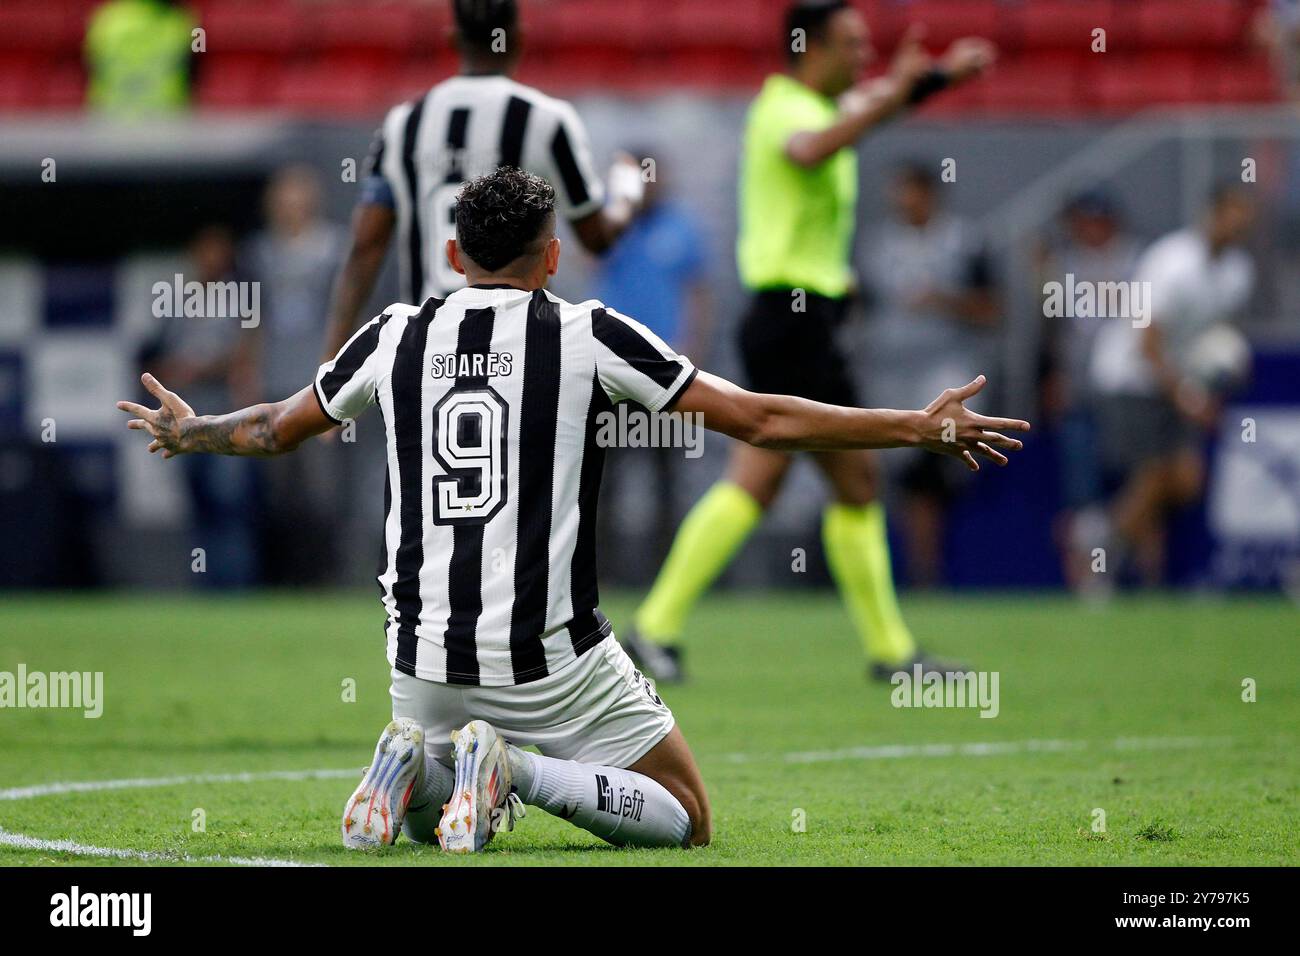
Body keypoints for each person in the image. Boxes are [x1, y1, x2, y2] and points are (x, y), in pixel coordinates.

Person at [116, 167, 1030, 852]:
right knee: (689, 818)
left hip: (420, 664)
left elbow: (274, 428)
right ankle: (514, 768)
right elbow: (761, 418)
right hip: (554, 662)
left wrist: (195, 432)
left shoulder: (395, 334)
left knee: (441, 756)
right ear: (552, 256)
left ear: (449, 254)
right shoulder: (587, 334)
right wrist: (917, 426)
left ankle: (420, 765)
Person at [621, 0, 996, 683]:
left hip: (804, 318)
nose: (864, 55)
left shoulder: (822, 106)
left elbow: (868, 106)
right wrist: (909, 89)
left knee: (812, 480)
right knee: (821, 478)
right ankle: (886, 654)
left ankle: (657, 630)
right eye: (851, 43)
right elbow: (816, 147)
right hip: (790, 317)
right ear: (810, 48)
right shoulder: (786, 109)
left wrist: (932, 80)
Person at [320, 0, 642, 360]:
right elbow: (597, 239)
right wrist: (627, 190)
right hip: (518, 350)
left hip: (425, 354)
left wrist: (330, 364)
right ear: (517, 39)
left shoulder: (404, 123)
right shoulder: (546, 120)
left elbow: (366, 248)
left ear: (454, 39)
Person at [1088, 185, 1256, 587]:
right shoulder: (1172, 261)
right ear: (1212, 214)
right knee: (1153, 476)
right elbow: (1146, 343)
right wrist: (1186, 394)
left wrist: (1221, 372)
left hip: (1173, 380)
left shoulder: (1238, 271)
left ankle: (1104, 543)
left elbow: (1214, 335)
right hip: (1128, 377)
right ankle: (1104, 560)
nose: (1240, 223)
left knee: (1183, 480)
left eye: (1244, 214)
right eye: (1232, 213)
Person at [859, 161, 999, 588]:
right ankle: (921, 572)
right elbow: (859, 306)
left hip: (944, 368)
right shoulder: (876, 245)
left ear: (931, 193)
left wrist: (944, 301)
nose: (904, 200)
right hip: (889, 371)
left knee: (937, 472)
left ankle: (930, 570)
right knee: (904, 475)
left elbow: (991, 310)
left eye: (912, 191)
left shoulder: (965, 241)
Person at [591, 151, 712, 572]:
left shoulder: (681, 226)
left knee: (666, 478)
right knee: (602, 476)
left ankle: (666, 571)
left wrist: (694, 346)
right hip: (610, 369)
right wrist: (620, 210)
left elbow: (696, 291)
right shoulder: (609, 226)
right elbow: (588, 259)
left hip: (665, 369)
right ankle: (596, 572)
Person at [245, 166, 348, 585]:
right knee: (278, 486)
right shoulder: (258, 252)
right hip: (274, 379)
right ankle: (282, 578)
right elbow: (253, 321)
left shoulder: (334, 247)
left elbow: (344, 318)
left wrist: (344, 380)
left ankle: (324, 576)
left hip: (318, 384)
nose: (288, 208)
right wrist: (248, 371)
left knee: (322, 486)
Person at [1036, 190, 1141, 594]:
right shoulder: (1062, 267)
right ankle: (1090, 576)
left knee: (1139, 480)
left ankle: (1147, 576)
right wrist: (1053, 377)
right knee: (1083, 488)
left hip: (1130, 389)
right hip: (1080, 389)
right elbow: (1054, 332)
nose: (1087, 229)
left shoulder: (1137, 262)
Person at [149, 225, 259, 588]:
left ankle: (236, 590)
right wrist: (171, 370)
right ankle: (206, 589)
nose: (210, 260)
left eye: (217, 251)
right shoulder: (179, 302)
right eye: (203, 251)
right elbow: (156, 354)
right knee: (198, 508)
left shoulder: (241, 301)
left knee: (229, 507)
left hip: (227, 418)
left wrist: (201, 368)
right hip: (185, 421)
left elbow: (247, 356)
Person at [85, 0, 196, 115]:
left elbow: (91, 65)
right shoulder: (180, 22)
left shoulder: (105, 19)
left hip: (110, 116)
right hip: (166, 116)